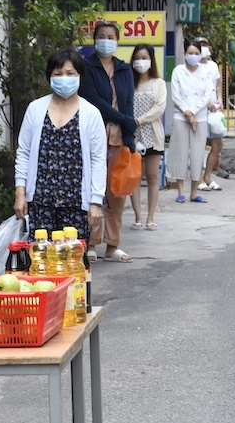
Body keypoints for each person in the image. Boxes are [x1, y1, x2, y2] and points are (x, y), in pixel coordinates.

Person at [14, 48, 106, 245]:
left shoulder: (91, 113)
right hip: (40, 202)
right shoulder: (36, 109)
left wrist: (96, 202)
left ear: (80, 76)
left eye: (70, 73)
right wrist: (20, 193)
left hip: (76, 203)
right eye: (58, 74)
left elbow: (99, 160)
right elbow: (23, 152)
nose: (64, 78)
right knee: (40, 262)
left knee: (73, 264)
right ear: (49, 77)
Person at [79, 21, 136, 263]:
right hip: (94, 135)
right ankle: (91, 243)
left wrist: (129, 134)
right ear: (94, 40)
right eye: (101, 36)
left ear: (117, 40)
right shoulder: (86, 66)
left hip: (118, 137)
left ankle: (112, 245)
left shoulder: (125, 70)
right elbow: (92, 100)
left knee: (117, 193)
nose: (106, 40)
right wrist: (124, 119)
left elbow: (129, 102)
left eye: (110, 36)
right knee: (93, 190)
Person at [167, 39, 217, 203]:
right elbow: (176, 96)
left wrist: (194, 112)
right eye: (190, 53)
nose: (193, 56)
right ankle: (180, 190)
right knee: (180, 152)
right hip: (181, 117)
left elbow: (207, 95)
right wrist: (188, 115)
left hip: (200, 118)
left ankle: (194, 191)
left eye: (196, 53)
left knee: (197, 153)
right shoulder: (178, 71)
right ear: (185, 54)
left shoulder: (205, 72)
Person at [128, 44, 166, 231]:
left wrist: (138, 120)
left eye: (144, 57)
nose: (141, 62)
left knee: (152, 177)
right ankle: (137, 217)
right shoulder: (128, 82)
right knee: (134, 177)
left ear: (151, 60)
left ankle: (150, 217)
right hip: (132, 135)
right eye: (137, 58)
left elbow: (158, 109)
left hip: (153, 134)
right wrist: (130, 125)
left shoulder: (158, 83)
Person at [196, 37, 225, 192]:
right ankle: (199, 178)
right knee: (200, 144)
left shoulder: (213, 66)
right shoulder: (193, 67)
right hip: (201, 110)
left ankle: (208, 176)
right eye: (200, 45)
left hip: (215, 111)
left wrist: (219, 100)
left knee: (217, 144)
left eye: (205, 45)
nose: (203, 48)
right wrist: (208, 103)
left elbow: (217, 86)